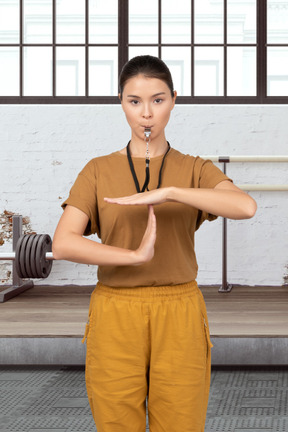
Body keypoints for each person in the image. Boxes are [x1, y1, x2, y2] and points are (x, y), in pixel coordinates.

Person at [52, 55, 257, 432]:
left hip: (179, 310)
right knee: (115, 421)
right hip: (116, 310)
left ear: (174, 100)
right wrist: (133, 255)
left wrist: (171, 192)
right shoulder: (97, 169)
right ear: (121, 102)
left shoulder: (196, 168)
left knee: (181, 421)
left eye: (158, 100)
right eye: (134, 101)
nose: (146, 113)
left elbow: (244, 206)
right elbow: (64, 243)